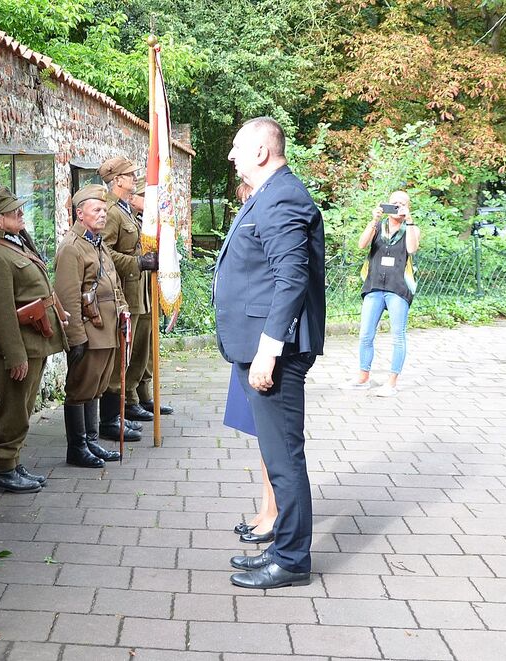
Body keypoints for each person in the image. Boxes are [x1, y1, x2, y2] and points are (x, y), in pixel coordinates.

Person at [213, 118, 325, 589]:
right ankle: (283, 544)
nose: (232, 156)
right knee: (275, 453)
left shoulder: (282, 197)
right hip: (259, 345)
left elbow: (291, 279)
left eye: (238, 147)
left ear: (261, 151)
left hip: (272, 352)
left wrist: (269, 351)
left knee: (284, 457)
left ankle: (293, 559)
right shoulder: (269, 194)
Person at [0, 188, 70, 493]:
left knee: (23, 408)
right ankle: (3, 469)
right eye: (14, 212)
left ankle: (13, 462)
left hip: (34, 343)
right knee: (13, 409)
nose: (21, 214)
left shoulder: (13, 245)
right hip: (18, 349)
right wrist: (15, 356)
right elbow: (0, 312)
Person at [54, 184, 127, 467]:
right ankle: (77, 447)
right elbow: (67, 296)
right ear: (79, 213)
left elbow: (113, 282)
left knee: (96, 386)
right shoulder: (72, 248)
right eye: (96, 210)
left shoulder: (97, 243)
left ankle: (91, 441)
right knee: (80, 388)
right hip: (89, 330)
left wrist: (123, 312)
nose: (102, 215)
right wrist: (76, 338)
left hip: (107, 328)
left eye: (104, 209)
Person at [222, 182, 276, 543]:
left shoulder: (276, 208)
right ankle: (266, 506)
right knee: (262, 436)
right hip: (246, 340)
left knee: (272, 438)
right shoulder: (258, 206)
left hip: (262, 343)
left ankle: (274, 513)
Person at [96, 157, 159, 442]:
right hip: (123, 291)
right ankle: (111, 419)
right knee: (121, 356)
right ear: (117, 180)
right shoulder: (111, 211)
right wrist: (138, 263)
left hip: (135, 291)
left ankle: (120, 412)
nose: (135, 179)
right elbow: (104, 252)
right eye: (130, 175)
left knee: (128, 353)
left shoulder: (123, 209)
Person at [347, 191, 420, 397]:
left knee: (397, 336)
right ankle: (363, 377)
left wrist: (410, 220)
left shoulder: (411, 228)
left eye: (402, 203)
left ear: (408, 207)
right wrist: (374, 220)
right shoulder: (378, 226)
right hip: (374, 285)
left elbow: (412, 249)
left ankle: (392, 382)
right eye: (394, 203)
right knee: (365, 334)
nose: (397, 206)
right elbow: (361, 244)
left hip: (398, 288)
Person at [128, 178, 174, 415]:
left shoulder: (148, 224)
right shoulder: (130, 221)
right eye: (145, 197)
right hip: (136, 288)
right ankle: (131, 397)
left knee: (149, 346)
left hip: (149, 288)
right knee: (136, 346)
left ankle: (145, 393)